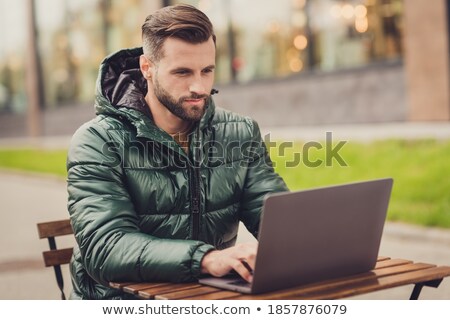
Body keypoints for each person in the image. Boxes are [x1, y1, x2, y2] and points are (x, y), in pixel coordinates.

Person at [67, 4, 288, 299]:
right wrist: (207, 259)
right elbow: (106, 248)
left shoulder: (239, 131)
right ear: (147, 68)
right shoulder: (96, 141)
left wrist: (306, 242)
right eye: (182, 72)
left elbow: (272, 211)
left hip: (207, 297)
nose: (199, 86)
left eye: (207, 70)